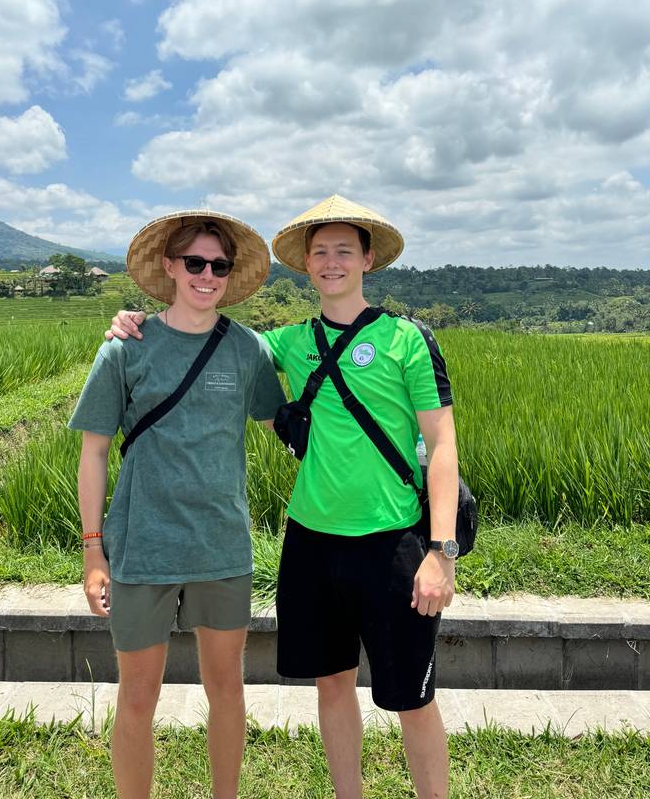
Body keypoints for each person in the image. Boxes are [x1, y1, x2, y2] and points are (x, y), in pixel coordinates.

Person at [109, 195, 460, 799]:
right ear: (303, 263)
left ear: (367, 259)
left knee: (412, 698)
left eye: (343, 251)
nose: (330, 262)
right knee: (331, 684)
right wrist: (131, 322)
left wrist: (441, 550)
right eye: (318, 252)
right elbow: (204, 334)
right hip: (312, 542)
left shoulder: (406, 338)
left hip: (394, 540)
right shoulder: (285, 343)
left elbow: (442, 443)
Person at [69, 210, 287, 799]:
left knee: (227, 688)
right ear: (169, 267)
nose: (207, 274)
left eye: (219, 265)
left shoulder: (248, 350)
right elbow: (93, 454)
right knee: (138, 695)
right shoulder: (126, 347)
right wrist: (94, 553)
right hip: (142, 546)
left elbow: (285, 426)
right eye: (195, 262)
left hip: (222, 546)